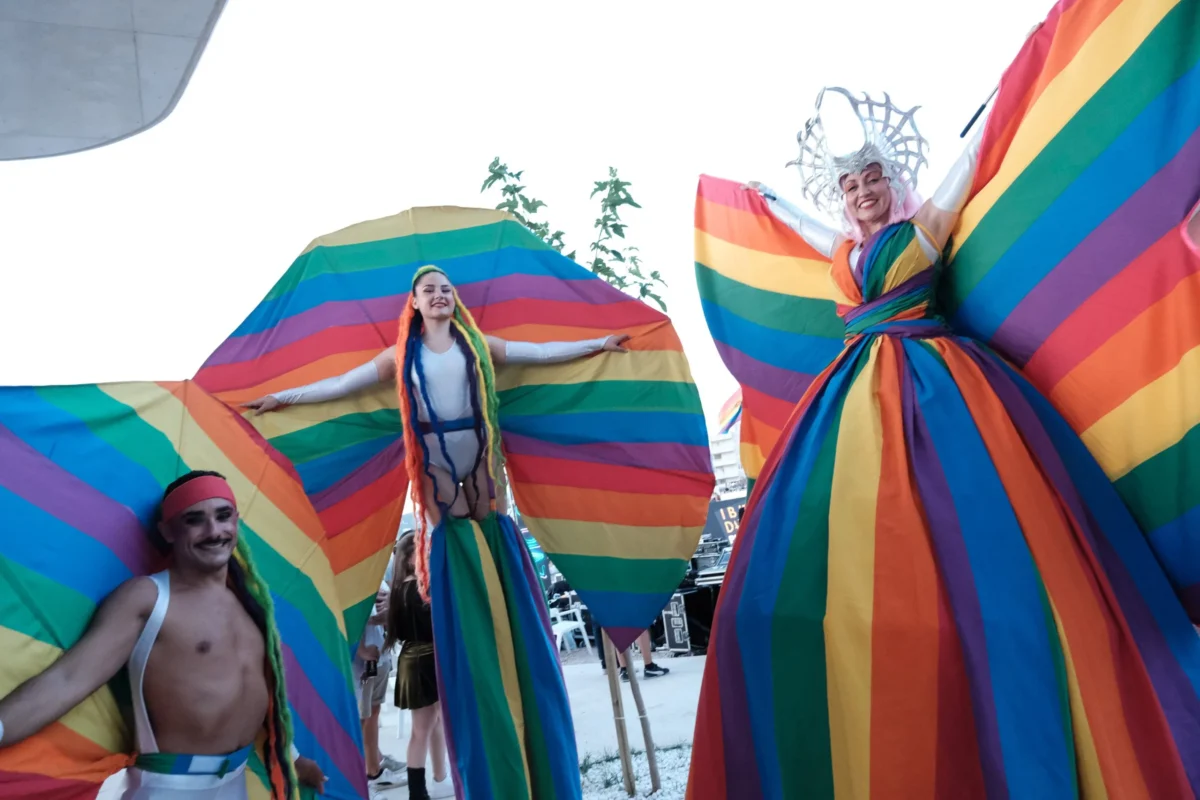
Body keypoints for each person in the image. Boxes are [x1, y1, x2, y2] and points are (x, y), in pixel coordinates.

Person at [688, 84, 1200, 798]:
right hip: (850, 396)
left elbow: (966, 165)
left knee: (988, 545)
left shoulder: (921, 231)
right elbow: (804, 229)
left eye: (872, 180)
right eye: (851, 186)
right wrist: (765, 199)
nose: (863, 193)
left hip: (940, 388)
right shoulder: (843, 249)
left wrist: (1014, 90)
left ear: (891, 182)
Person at [245, 265, 627, 799]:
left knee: (488, 525)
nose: (442, 297)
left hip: (481, 463)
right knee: (456, 537)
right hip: (438, 470)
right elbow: (340, 384)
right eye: (431, 291)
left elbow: (535, 353)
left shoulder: (476, 346)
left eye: (447, 290)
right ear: (415, 303)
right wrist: (281, 399)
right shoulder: (403, 356)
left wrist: (599, 344)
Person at [0, 470, 325, 799]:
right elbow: (68, 679)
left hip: (236, 783)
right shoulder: (148, 598)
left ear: (236, 523)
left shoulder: (251, 601)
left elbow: (254, 692)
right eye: (195, 520)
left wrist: (293, 758)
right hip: (168, 788)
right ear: (168, 531)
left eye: (223, 516)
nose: (214, 531)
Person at [385, 531, 446, 800]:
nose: (429, 555)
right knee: (422, 730)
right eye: (423, 550)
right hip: (425, 661)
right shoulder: (423, 589)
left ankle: (437, 780)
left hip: (414, 660)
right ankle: (418, 792)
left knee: (430, 725)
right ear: (410, 558)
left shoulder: (399, 590)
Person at [355, 558, 405, 789]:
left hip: (379, 655)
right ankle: (372, 772)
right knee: (364, 716)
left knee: (373, 712)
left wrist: (390, 615)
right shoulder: (352, 577)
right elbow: (349, 617)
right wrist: (362, 648)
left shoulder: (376, 575)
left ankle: (375, 762)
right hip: (363, 661)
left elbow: (383, 614)